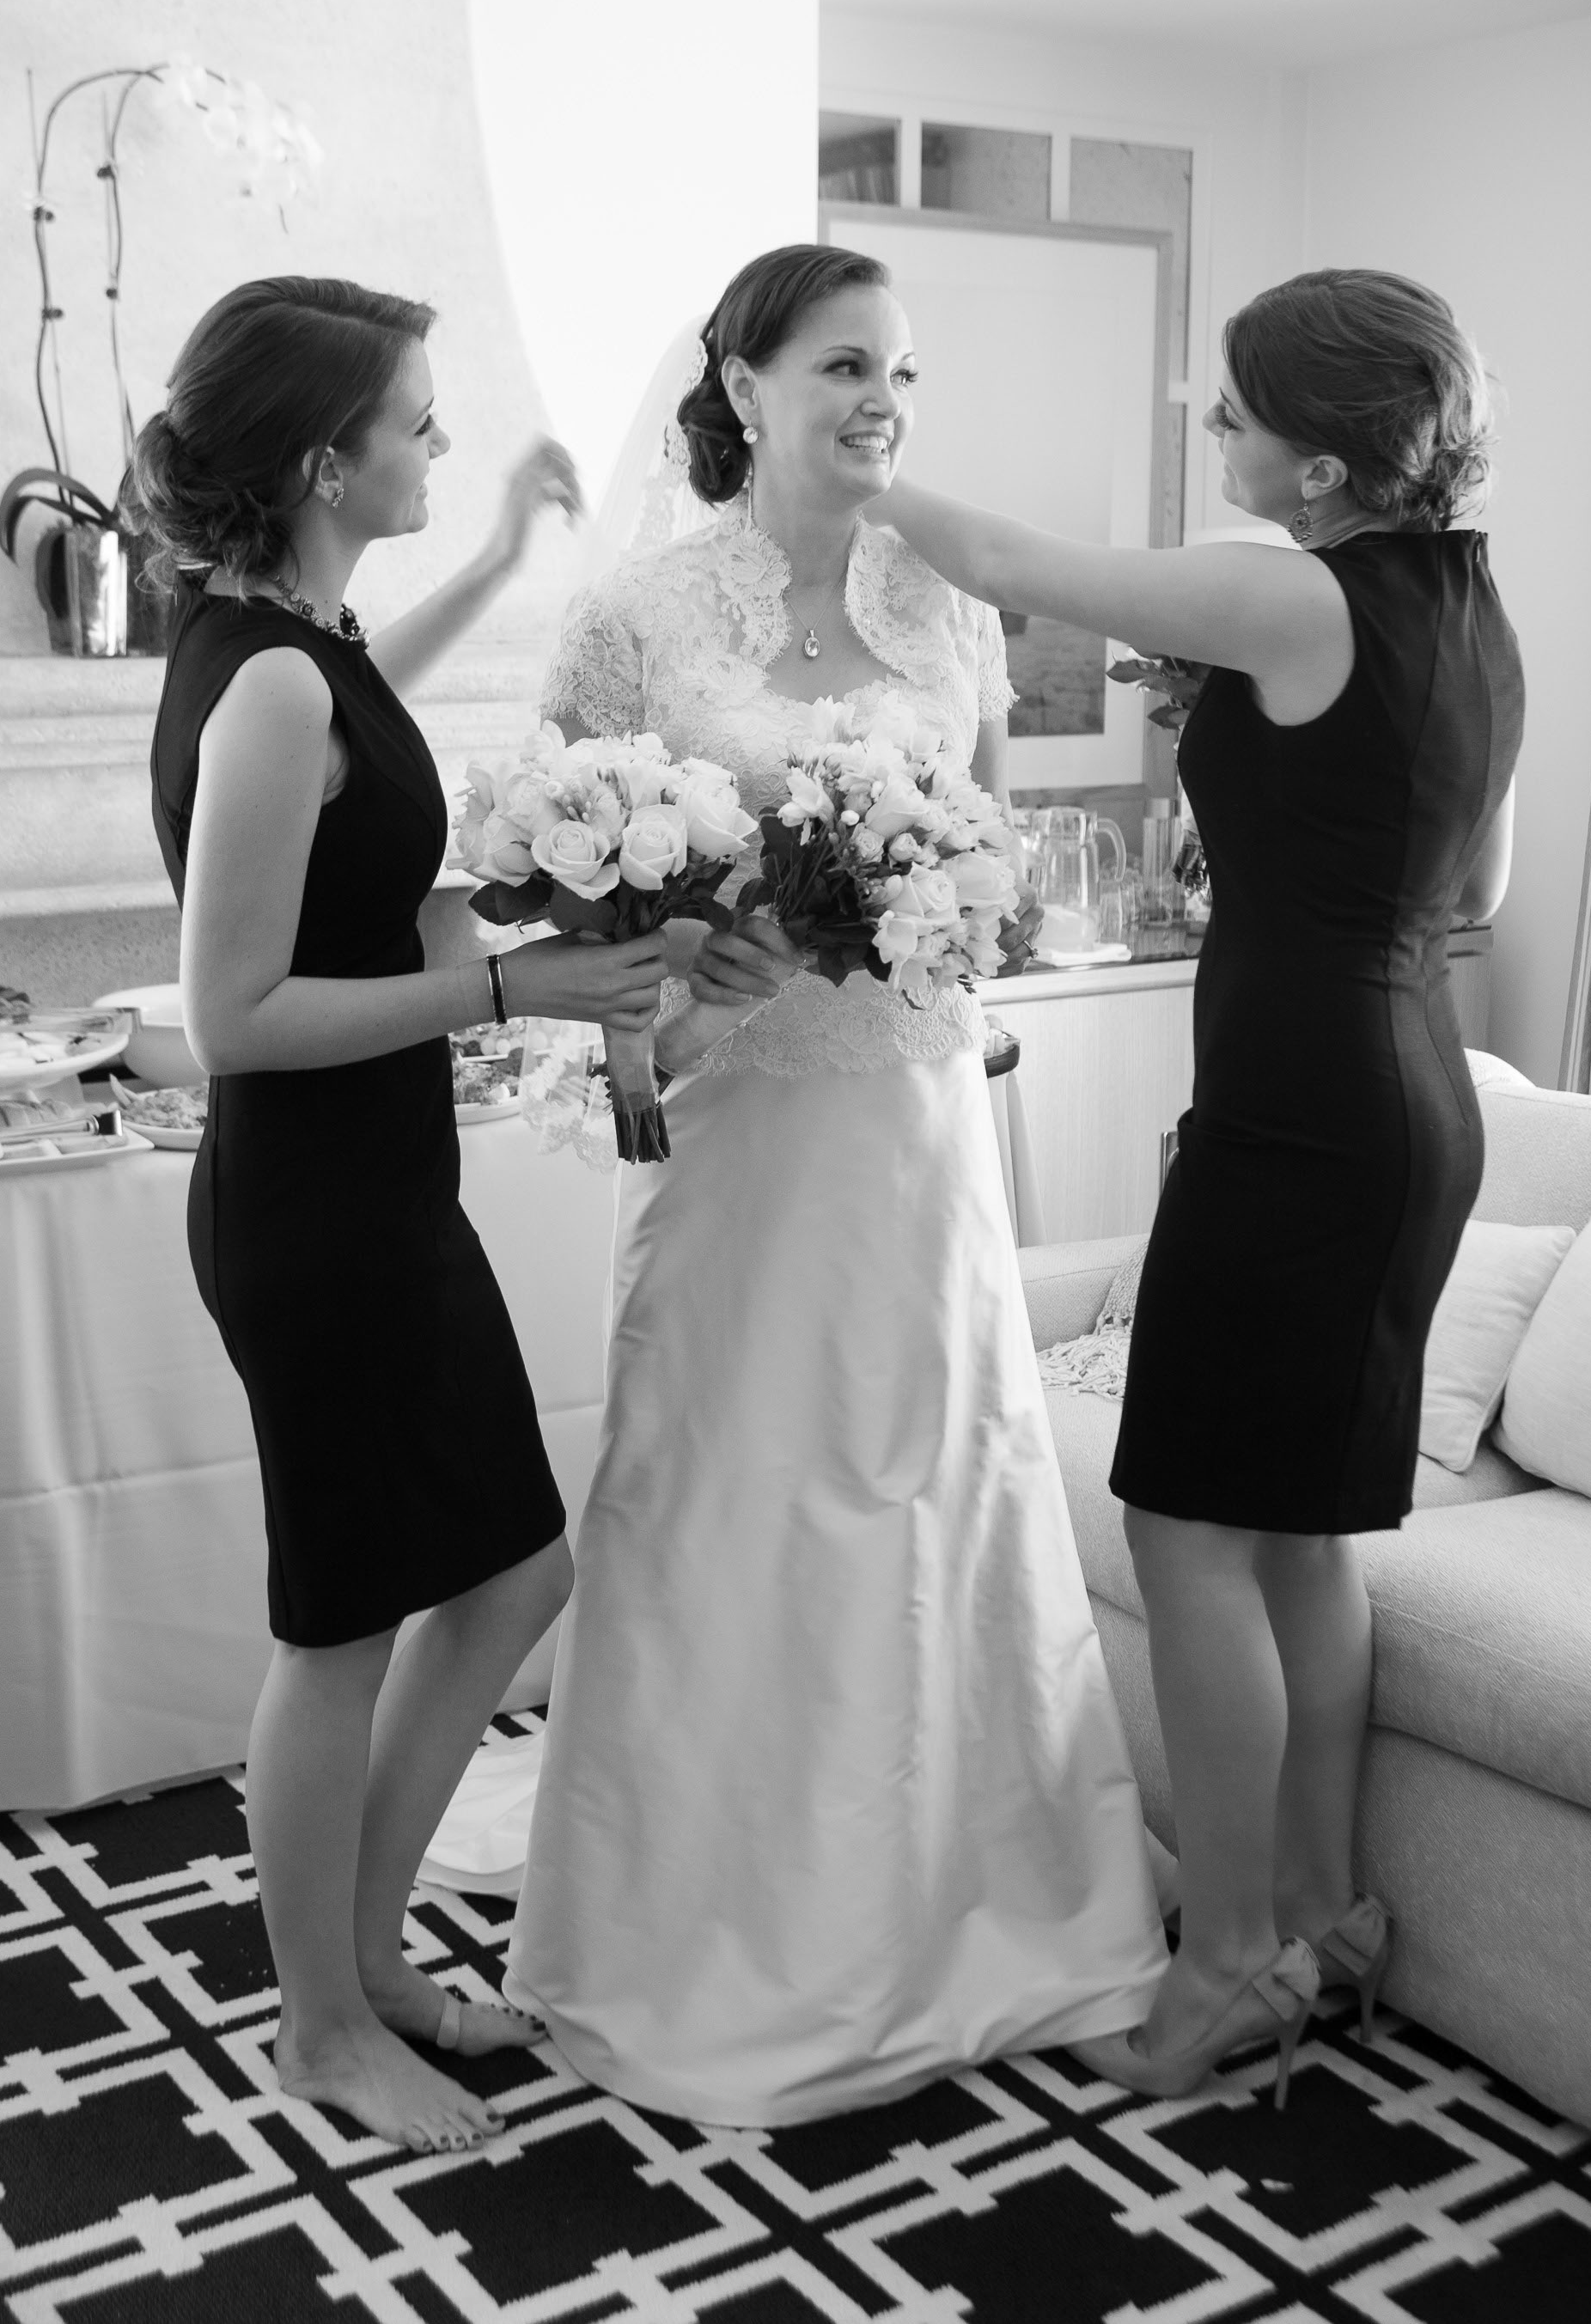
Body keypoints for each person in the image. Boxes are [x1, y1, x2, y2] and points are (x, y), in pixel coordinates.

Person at [497, 242, 1168, 2126]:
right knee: (728, 1491)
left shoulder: (950, 611)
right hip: (728, 1132)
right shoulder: (635, 618)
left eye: (903, 373)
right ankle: (696, 1922)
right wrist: (687, 987)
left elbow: (1001, 878)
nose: (884, 400)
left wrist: (925, 917)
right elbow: (559, 909)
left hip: (911, 1124)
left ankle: (982, 1901)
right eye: (846, 365)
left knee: (934, 1480)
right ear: (742, 383)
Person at [866, 267, 1523, 2103]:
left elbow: (1012, 559)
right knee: (1300, 1534)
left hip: (1304, 1111)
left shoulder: (1286, 590)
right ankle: (1320, 1913)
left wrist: (854, 467)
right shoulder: (1467, 602)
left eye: (1229, 414)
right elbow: (1441, 875)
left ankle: (1232, 1959)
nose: (1207, 431)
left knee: (1187, 1533)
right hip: (1412, 1092)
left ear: (1317, 465)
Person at [131, 276, 667, 2155]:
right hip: (318, 1215)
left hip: (374, 1194)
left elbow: (361, 701)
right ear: (319, 456)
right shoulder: (270, 676)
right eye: (420, 425)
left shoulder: (290, 634)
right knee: (341, 1628)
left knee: (512, 1572)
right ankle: (322, 2028)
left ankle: (358, 1953)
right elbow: (230, 1023)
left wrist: (506, 542)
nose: (438, 443)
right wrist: (509, 993)